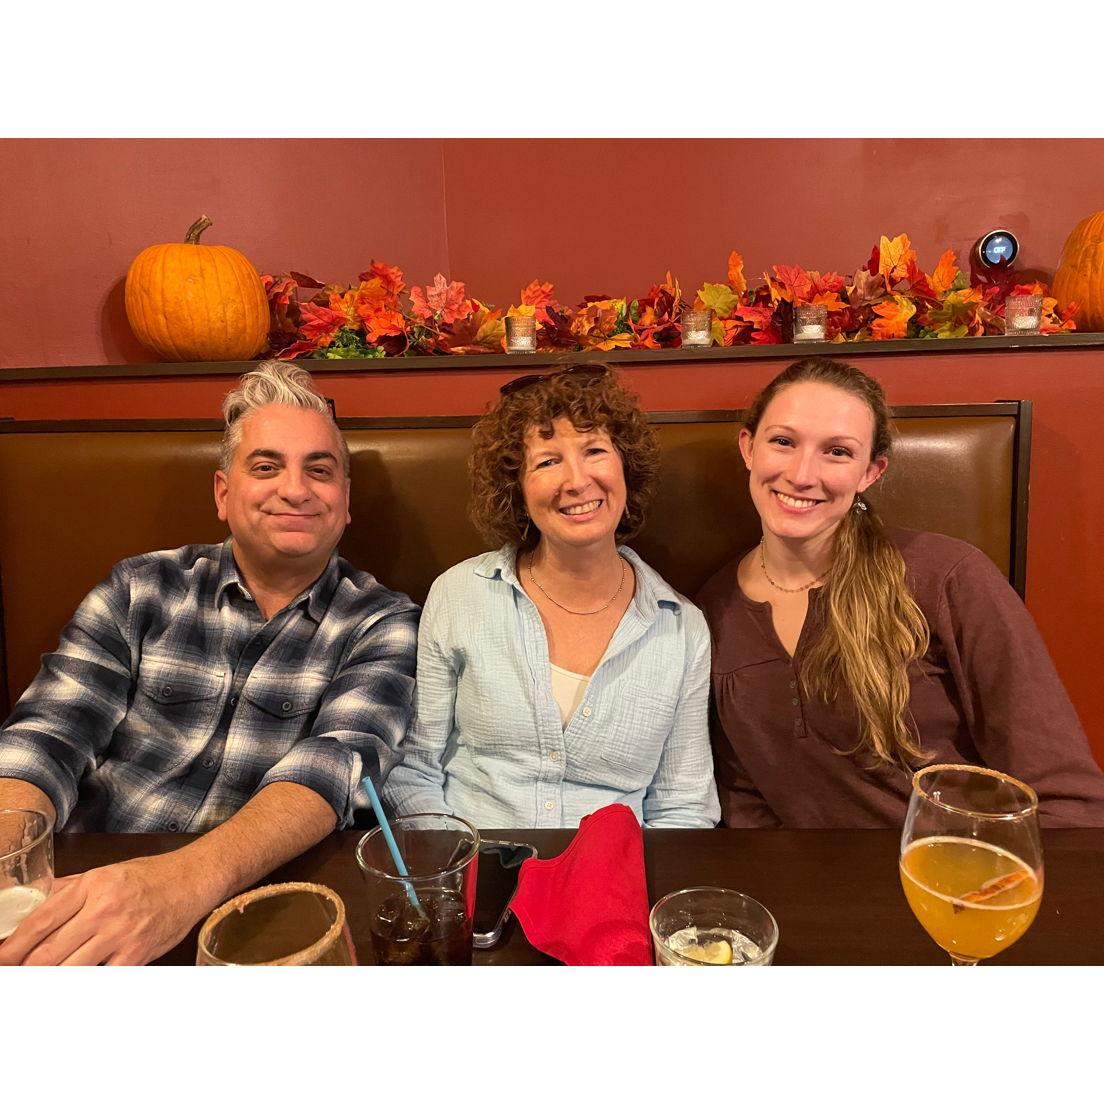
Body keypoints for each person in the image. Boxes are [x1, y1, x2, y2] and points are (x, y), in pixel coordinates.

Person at [0, 361, 418, 964]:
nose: (296, 489)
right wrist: (13, 866)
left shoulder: (382, 621)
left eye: (319, 470)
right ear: (223, 493)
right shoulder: (140, 588)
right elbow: (47, 735)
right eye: (266, 467)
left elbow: (330, 771)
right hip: (77, 885)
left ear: (345, 501)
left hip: (259, 910)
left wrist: (177, 887)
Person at [696, 356, 1104, 829]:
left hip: (952, 867)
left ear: (871, 471)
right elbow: (742, 798)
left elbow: (1066, 797)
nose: (803, 474)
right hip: (799, 875)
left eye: (837, 452)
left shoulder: (948, 576)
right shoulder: (711, 609)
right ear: (748, 448)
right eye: (783, 442)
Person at [384, 363, 719, 828]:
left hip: (612, 869)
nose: (577, 481)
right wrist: (451, 863)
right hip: (473, 858)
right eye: (546, 462)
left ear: (626, 467)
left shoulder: (682, 627)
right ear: (517, 490)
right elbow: (415, 769)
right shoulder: (458, 594)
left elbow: (683, 806)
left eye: (594, 450)